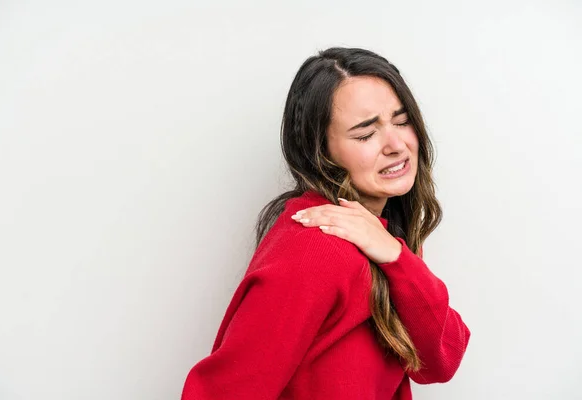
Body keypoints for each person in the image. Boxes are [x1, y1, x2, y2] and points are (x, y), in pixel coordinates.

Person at [181, 47, 470, 400]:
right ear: (321, 151)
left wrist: (396, 257)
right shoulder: (317, 247)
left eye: (401, 120)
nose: (396, 144)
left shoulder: (380, 237)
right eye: (365, 134)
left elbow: (440, 361)